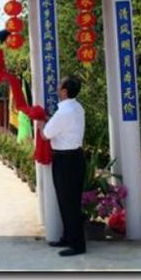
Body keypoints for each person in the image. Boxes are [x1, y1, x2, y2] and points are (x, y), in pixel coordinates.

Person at [41, 76, 86, 257]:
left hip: (65, 160)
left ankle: (77, 244)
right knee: (68, 201)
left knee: (69, 203)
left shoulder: (63, 113)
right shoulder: (77, 107)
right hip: (75, 157)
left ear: (65, 91)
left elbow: (45, 135)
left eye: (59, 86)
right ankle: (68, 237)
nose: (57, 89)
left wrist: (40, 123)